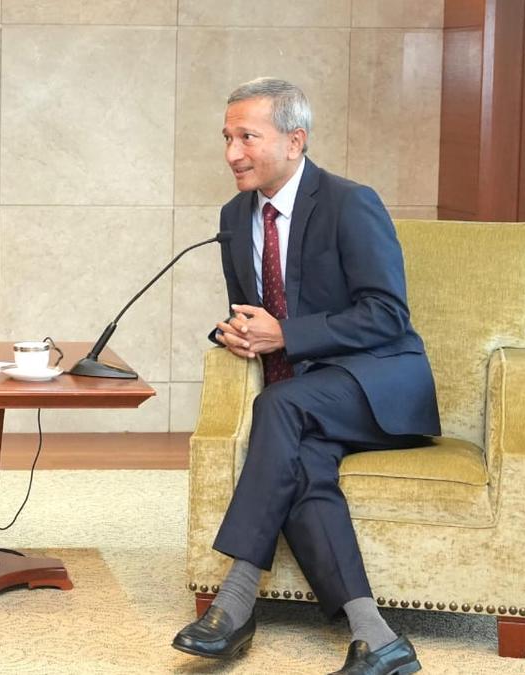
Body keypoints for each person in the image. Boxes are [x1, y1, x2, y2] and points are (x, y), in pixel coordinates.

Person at [171, 78, 438, 675]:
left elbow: (387, 314)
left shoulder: (350, 203)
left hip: (377, 386)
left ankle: (234, 601)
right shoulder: (234, 217)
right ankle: (377, 638)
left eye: (247, 137)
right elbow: (252, 311)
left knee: (279, 407)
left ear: (295, 141)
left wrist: (288, 335)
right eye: (227, 138)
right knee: (304, 465)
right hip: (304, 400)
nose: (232, 153)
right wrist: (236, 333)